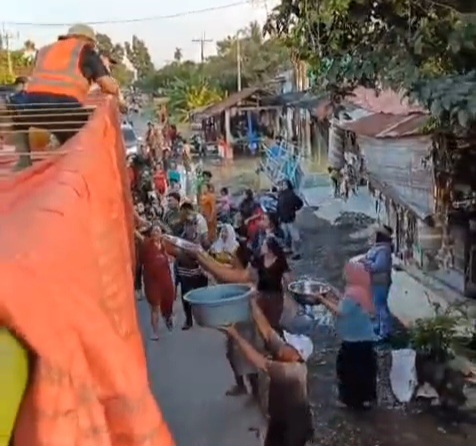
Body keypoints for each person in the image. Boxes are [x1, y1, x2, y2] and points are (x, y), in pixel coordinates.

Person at [10, 24, 123, 168]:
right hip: (65, 109)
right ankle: (72, 164)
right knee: (84, 129)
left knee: (13, 107)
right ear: (89, 41)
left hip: (31, 107)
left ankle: (23, 160)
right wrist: (117, 93)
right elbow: (107, 85)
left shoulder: (44, 50)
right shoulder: (86, 51)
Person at [219, 297, 314, 446]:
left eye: (288, 346)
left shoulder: (290, 372)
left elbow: (257, 360)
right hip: (280, 416)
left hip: (293, 424)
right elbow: (267, 331)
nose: (284, 345)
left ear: (297, 355)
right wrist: (251, 301)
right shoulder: (286, 353)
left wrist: (235, 334)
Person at [316, 261, 377, 409]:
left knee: (348, 370)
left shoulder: (353, 294)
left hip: (353, 340)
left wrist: (321, 300)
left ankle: (350, 401)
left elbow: (340, 311)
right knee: (366, 369)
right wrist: (331, 293)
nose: (344, 273)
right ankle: (367, 398)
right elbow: (344, 303)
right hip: (365, 339)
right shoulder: (361, 290)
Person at [136, 226, 175, 339]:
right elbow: (136, 234)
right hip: (152, 282)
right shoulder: (147, 244)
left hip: (165, 280)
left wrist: (169, 258)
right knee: (155, 307)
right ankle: (155, 332)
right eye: (154, 231)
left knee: (168, 302)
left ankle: (167, 317)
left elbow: (170, 255)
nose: (156, 233)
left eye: (158, 231)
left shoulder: (163, 245)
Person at [176, 207, 209, 330]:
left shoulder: (201, 238)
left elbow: (206, 252)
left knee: (202, 296)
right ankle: (188, 320)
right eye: (188, 225)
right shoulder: (180, 240)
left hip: (199, 272)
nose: (190, 227)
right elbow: (177, 255)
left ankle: (203, 318)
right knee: (186, 297)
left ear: (196, 226)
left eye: (193, 224)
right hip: (185, 273)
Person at [361, 225, 393, 341]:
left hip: (381, 282)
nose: (373, 236)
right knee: (376, 305)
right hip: (375, 281)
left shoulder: (383, 250)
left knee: (381, 306)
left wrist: (366, 263)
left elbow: (379, 266)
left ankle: (385, 332)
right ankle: (379, 327)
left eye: (375, 234)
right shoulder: (377, 248)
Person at [277, 180, 303, 260]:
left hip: (289, 219)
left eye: (282, 185)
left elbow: (300, 203)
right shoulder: (281, 195)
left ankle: (296, 252)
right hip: (284, 219)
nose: (281, 186)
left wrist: (294, 210)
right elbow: (278, 207)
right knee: (287, 236)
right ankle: (289, 250)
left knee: (294, 236)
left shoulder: (290, 194)